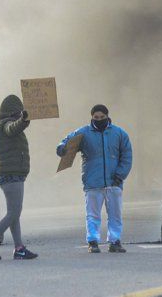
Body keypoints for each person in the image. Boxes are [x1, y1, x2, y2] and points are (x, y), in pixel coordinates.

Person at [56, 104, 132, 254]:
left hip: (114, 181)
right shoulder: (83, 133)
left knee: (115, 214)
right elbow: (65, 142)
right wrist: (61, 148)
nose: (99, 120)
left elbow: (127, 156)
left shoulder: (119, 134)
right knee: (92, 215)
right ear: (92, 117)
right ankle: (93, 241)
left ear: (107, 116)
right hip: (92, 182)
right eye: (96, 117)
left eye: (102, 117)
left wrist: (120, 175)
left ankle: (115, 241)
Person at [0, 95, 38, 260]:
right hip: (11, 174)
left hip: (10, 174)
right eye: (19, 112)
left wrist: (22, 120)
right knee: (14, 212)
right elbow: (13, 128)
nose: (21, 115)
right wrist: (24, 120)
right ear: (13, 112)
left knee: (14, 213)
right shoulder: (5, 125)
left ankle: (19, 248)